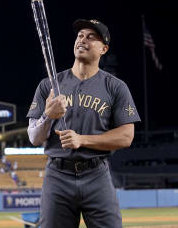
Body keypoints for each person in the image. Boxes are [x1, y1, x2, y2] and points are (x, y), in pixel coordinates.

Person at [27, 19, 141, 228]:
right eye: (80, 35)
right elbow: (34, 138)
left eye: (91, 37)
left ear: (104, 48)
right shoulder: (49, 85)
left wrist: (82, 139)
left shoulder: (115, 87)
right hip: (58, 175)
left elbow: (126, 137)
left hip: (97, 174)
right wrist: (48, 116)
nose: (83, 40)